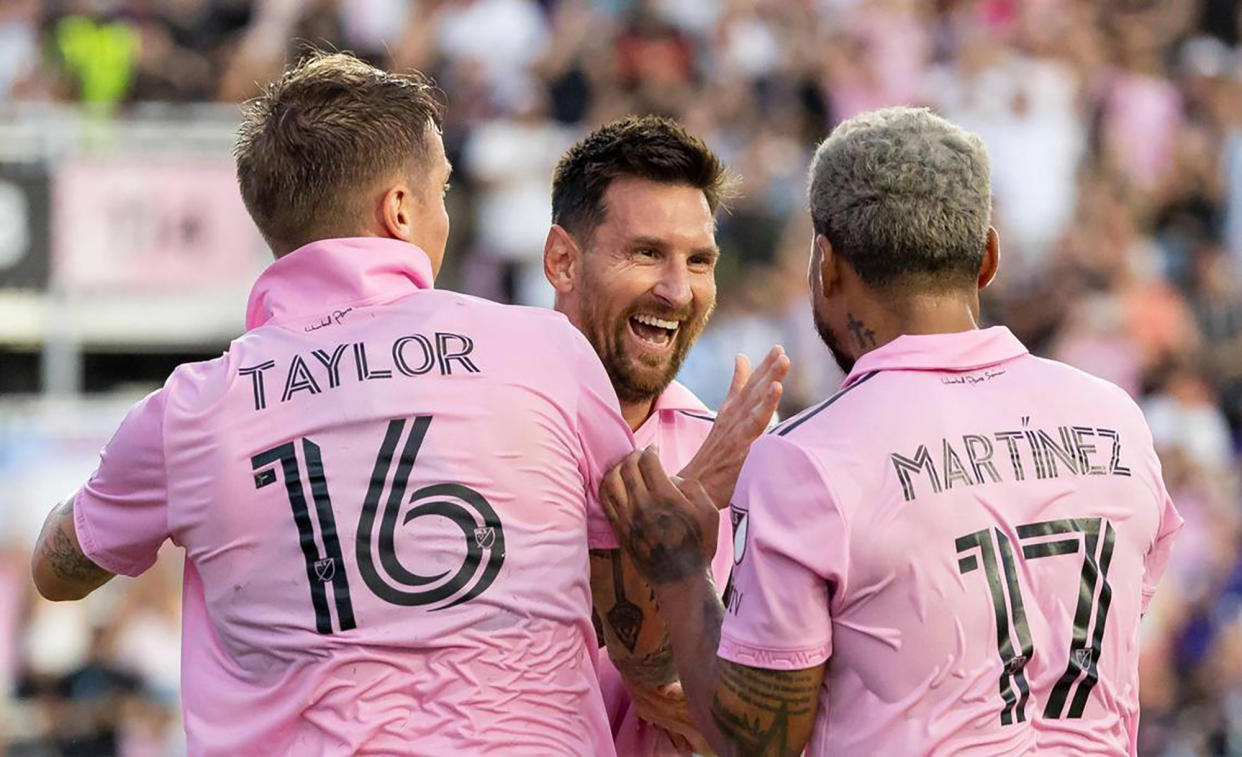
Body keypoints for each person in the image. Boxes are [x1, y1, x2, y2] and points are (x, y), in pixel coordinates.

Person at [28, 52, 775, 755]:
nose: (445, 213)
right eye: (441, 190)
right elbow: (641, 631)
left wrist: (104, 504)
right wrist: (697, 497)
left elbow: (59, 569)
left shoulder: (188, 412)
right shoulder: (542, 352)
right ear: (398, 211)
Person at [599, 107, 1184, 756]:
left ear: (826, 265)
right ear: (988, 257)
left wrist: (680, 570)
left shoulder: (809, 457)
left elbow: (758, 737)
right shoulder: (1115, 419)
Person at [543, 115, 788, 755]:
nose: (678, 291)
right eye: (647, 252)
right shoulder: (479, 428)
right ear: (562, 260)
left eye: (699, 261)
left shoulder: (757, 457)